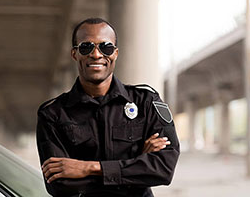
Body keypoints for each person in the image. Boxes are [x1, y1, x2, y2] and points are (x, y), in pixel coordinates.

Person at [36, 17, 180, 197]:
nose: (96, 54)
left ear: (116, 53)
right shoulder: (52, 114)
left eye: (106, 47)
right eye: (86, 47)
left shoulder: (146, 102)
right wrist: (137, 165)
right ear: (75, 54)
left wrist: (88, 168)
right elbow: (60, 184)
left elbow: (163, 169)